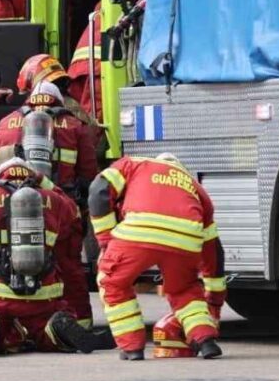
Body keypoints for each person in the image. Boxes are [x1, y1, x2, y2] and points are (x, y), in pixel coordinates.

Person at [0, 156, 97, 358]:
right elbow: (73, 214)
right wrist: (46, 183)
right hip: (43, 294)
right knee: (41, 330)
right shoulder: (53, 199)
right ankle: (55, 328)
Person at [88, 152, 225, 360]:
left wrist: (106, 240)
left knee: (112, 282)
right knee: (185, 290)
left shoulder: (133, 164)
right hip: (186, 238)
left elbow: (99, 190)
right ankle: (205, 340)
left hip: (139, 230)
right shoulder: (195, 186)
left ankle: (132, 347)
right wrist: (215, 298)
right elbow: (213, 250)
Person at [0, 79, 97, 326]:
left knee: (14, 262)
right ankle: (79, 323)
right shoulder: (75, 125)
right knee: (68, 266)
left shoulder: (6, 122)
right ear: (59, 101)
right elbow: (88, 173)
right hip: (59, 205)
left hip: (14, 205)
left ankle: (23, 321)